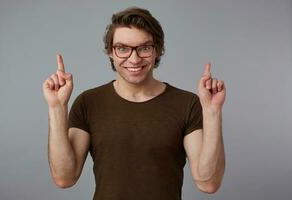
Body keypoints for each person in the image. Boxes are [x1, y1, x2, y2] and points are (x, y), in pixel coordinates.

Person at [42, 7, 226, 200]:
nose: (134, 58)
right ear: (111, 52)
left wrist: (213, 111)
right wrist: (57, 107)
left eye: (144, 48)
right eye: (122, 48)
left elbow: (208, 183)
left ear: (157, 50)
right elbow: (65, 178)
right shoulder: (88, 102)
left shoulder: (187, 103)